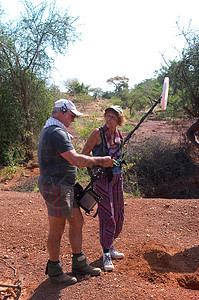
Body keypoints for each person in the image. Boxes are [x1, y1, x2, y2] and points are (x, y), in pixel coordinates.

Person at [37, 99, 115, 285]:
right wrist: (101, 160)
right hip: (56, 186)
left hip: (64, 185)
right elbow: (75, 160)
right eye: (72, 116)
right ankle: (55, 270)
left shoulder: (55, 130)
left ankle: (78, 263)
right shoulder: (55, 132)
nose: (72, 120)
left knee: (77, 221)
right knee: (57, 228)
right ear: (62, 112)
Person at [82, 105, 126, 272]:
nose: (108, 119)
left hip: (117, 177)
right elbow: (84, 154)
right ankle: (106, 251)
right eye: (107, 116)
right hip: (101, 179)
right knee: (107, 214)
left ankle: (111, 244)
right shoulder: (97, 133)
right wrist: (100, 161)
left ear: (118, 120)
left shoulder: (118, 134)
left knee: (119, 213)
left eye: (112, 117)